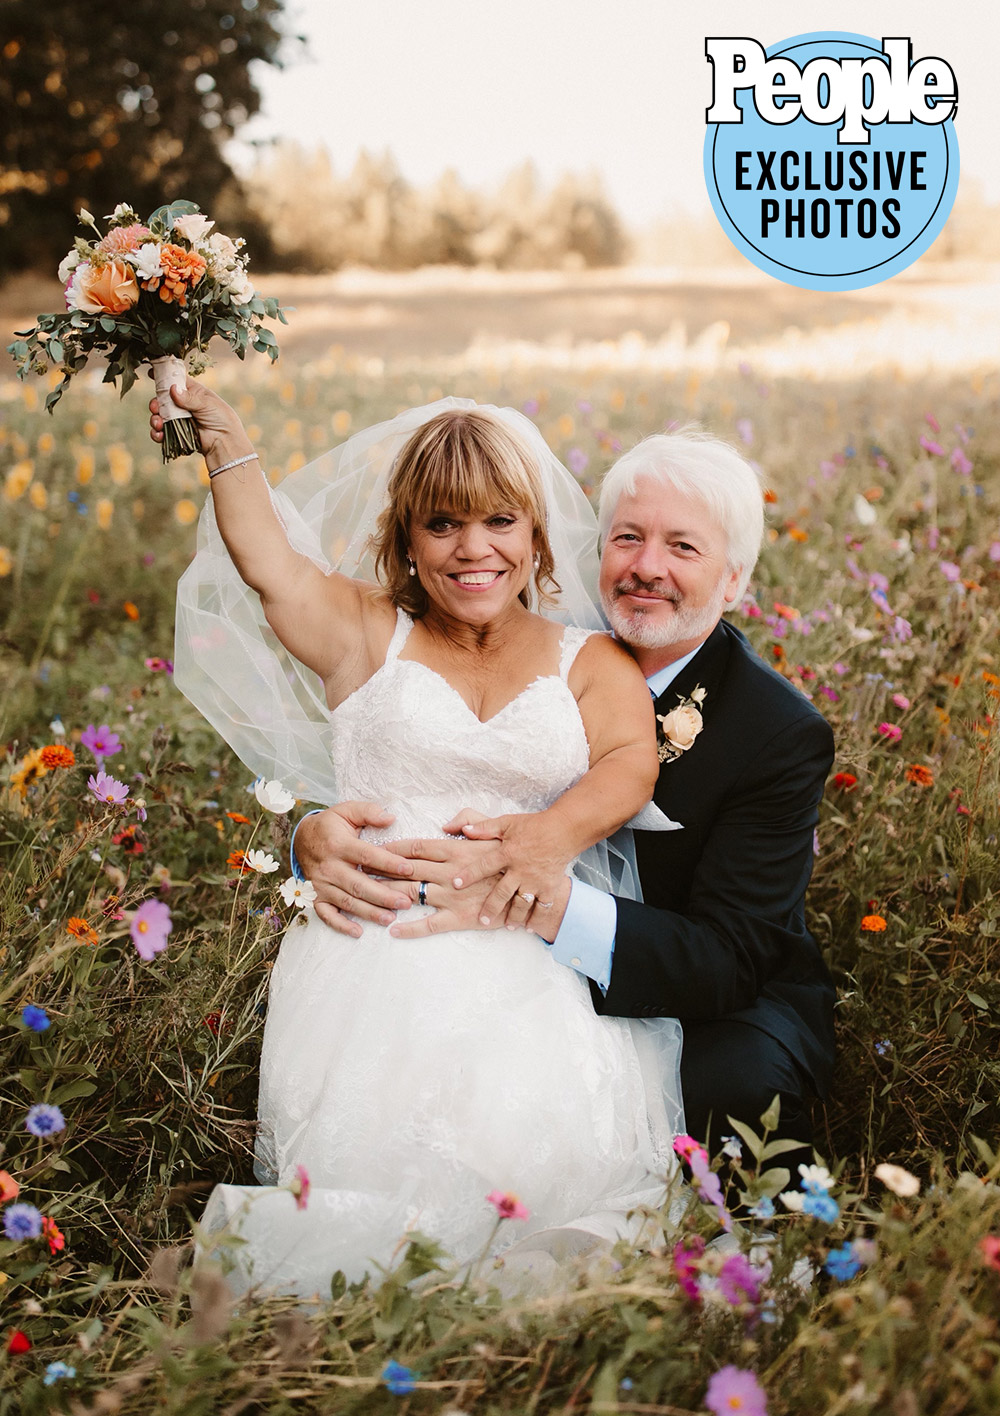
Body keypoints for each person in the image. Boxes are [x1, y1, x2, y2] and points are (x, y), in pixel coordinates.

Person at [154, 386, 686, 1297]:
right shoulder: (366, 633)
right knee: (380, 1177)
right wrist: (228, 444)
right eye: (442, 525)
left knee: (542, 1171)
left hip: (535, 943)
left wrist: (543, 839)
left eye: (498, 522)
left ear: (536, 538)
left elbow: (631, 765)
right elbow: (268, 565)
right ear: (405, 537)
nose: (473, 549)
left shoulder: (588, 661)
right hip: (378, 952)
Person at [294, 427, 837, 1175]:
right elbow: (418, 759)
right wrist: (311, 836)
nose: (647, 568)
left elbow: (728, 956)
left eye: (683, 548)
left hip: (702, 983)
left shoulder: (777, 731)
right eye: (628, 538)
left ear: (735, 580)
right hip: (505, 961)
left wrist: (541, 900)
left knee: (729, 1089)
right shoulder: (535, 638)